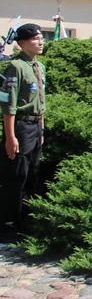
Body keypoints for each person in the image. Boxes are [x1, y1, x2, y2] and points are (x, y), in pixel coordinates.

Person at [1, 24, 46, 231]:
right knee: (17, 175)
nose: (41, 42)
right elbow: (9, 105)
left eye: (41, 38)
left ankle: (26, 221)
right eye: (35, 39)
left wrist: (42, 130)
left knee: (32, 174)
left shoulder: (39, 66)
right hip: (21, 126)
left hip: (36, 127)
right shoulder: (16, 67)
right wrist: (10, 137)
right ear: (22, 43)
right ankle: (10, 223)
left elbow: (41, 102)